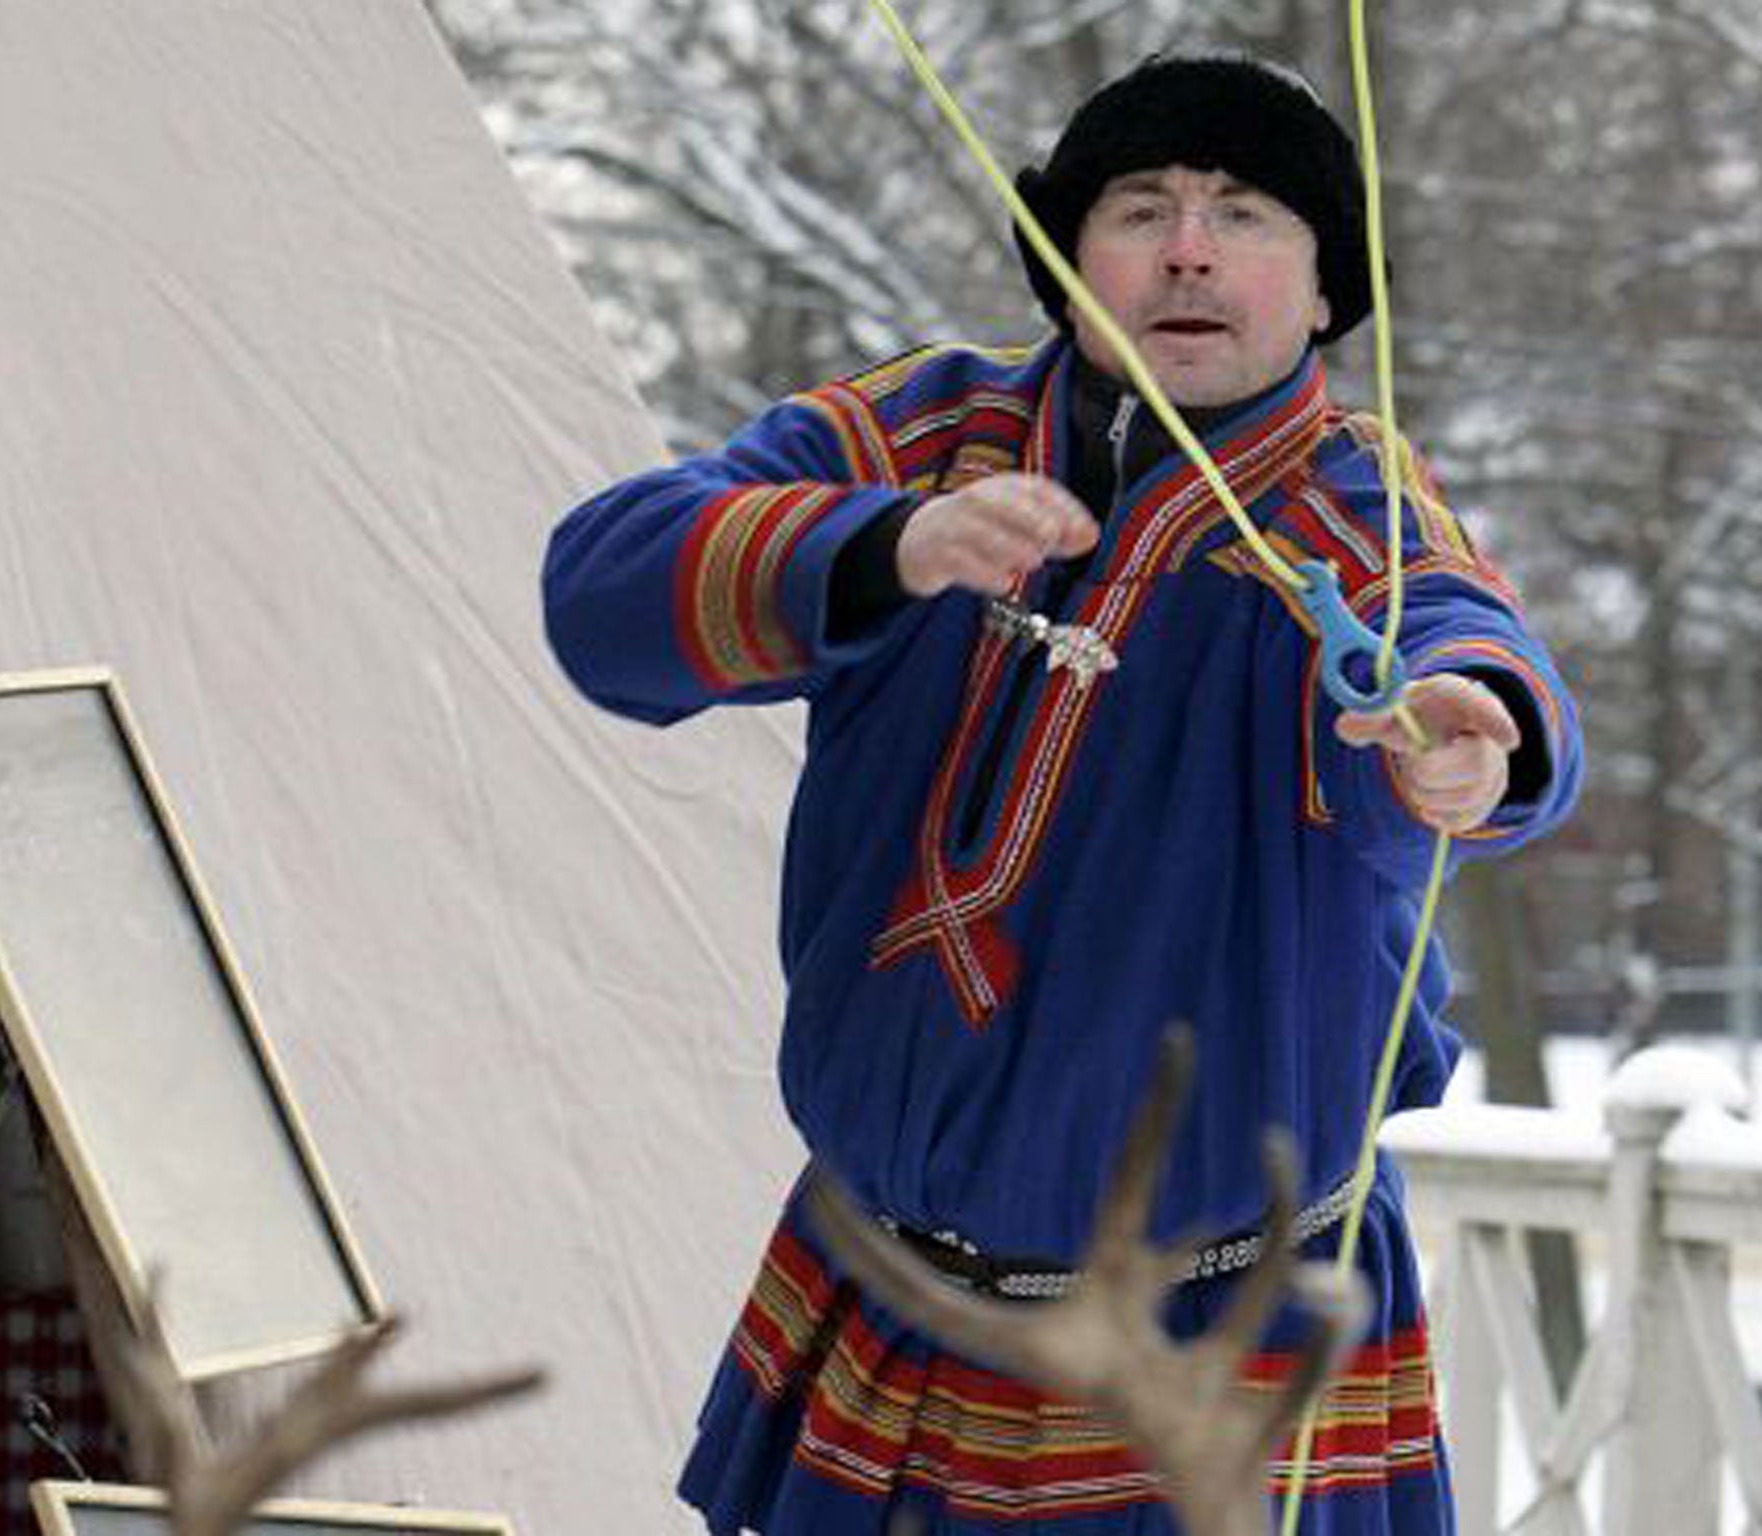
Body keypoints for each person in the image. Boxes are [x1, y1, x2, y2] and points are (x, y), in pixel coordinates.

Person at [544, 52, 1581, 1536]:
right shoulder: (923, 433)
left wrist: (1477, 744)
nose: (1188, 249)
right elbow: (599, 594)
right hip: (879, 1302)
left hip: (1212, 1348)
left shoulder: (1363, 516)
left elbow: (1467, 658)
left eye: (1247, 214)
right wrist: (885, 548)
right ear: (1068, 259)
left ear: (1326, 287)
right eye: (1139, 206)